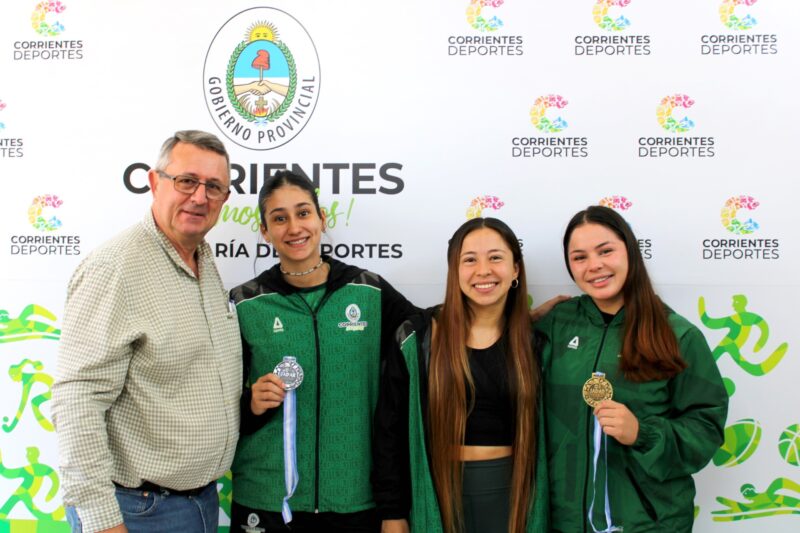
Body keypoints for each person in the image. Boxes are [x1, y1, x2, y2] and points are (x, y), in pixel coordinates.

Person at [52, 130, 242, 533]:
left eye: (214, 187)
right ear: (155, 183)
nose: (199, 196)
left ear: (225, 198)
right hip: (137, 514)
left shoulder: (202, 260)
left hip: (199, 504)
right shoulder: (115, 268)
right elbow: (76, 400)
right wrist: (102, 522)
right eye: (186, 181)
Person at [228, 170, 417, 533]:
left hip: (354, 500)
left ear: (321, 219)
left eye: (303, 213)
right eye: (279, 218)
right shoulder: (244, 303)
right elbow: (213, 404)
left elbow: (436, 333)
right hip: (266, 502)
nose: (294, 227)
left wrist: (512, 317)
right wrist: (249, 404)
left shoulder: (368, 291)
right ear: (265, 231)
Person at [537, 205, 728, 532]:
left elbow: (705, 427)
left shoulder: (676, 335)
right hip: (564, 520)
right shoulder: (556, 326)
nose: (594, 265)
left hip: (649, 522)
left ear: (631, 251)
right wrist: (524, 319)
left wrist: (642, 433)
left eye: (605, 251)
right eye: (579, 257)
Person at [373, 217, 548, 533]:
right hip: (437, 496)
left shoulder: (536, 344)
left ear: (516, 270)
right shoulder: (418, 337)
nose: (483, 270)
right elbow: (390, 429)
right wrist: (392, 512)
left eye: (495, 257)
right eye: (469, 260)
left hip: (511, 498)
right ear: (455, 271)